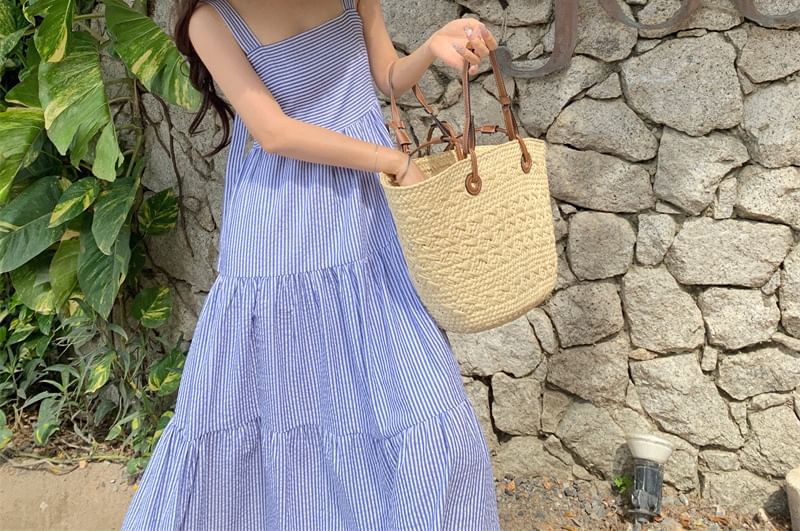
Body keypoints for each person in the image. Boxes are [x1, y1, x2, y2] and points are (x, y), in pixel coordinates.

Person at [120, 0, 501, 529]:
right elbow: (274, 132)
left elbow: (386, 77)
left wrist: (433, 48)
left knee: (420, 397)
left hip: (364, 213)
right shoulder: (211, 19)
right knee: (293, 401)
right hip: (281, 230)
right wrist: (393, 160)